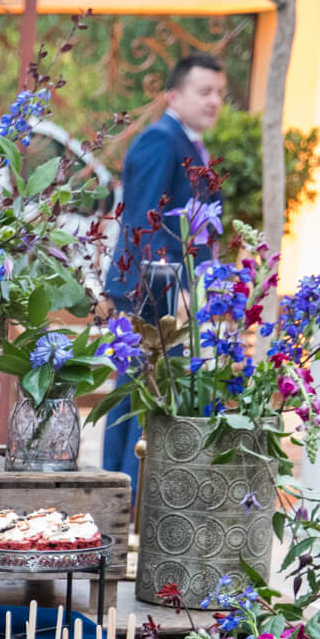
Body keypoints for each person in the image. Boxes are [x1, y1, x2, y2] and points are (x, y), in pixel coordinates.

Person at [100, 52, 227, 488]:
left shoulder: (188, 143)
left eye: (220, 94)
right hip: (155, 294)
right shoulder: (161, 141)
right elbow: (143, 221)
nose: (214, 102)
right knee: (146, 396)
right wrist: (170, 294)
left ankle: (120, 495)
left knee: (137, 394)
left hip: (165, 289)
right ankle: (131, 499)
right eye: (204, 92)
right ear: (174, 94)